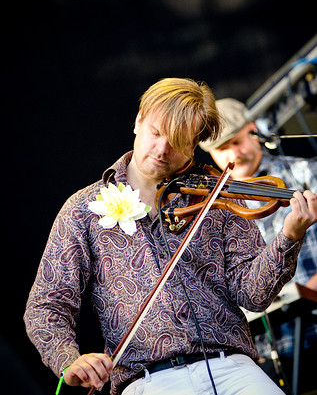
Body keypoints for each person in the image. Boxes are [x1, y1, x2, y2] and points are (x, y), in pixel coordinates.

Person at [24, 78, 317, 395]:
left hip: (233, 368)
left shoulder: (216, 196)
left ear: (194, 145)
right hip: (148, 381)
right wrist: (69, 361)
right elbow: (46, 306)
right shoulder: (83, 209)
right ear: (138, 121)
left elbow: (253, 297)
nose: (162, 149)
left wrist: (290, 236)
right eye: (156, 132)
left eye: (178, 141)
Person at [199, 97, 317, 392]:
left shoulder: (306, 174)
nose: (234, 155)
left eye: (237, 142)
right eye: (222, 149)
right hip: (262, 356)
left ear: (253, 130)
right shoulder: (215, 207)